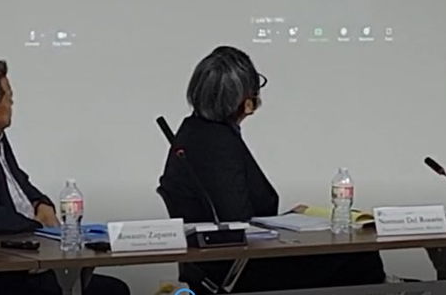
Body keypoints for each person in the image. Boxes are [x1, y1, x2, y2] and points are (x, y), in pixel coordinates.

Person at [158, 47, 386, 293]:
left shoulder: (194, 131)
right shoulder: (218, 143)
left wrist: (285, 219)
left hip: (213, 266)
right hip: (237, 268)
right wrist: (281, 223)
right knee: (360, 256)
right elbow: (236, 222)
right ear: (245, 99)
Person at [0, 60, 129, 295]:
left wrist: (40, 203)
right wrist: (39, 228)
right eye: (9, 98)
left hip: (19, 260)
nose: (12, 104)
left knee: (110, 289)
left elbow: (19, 183)